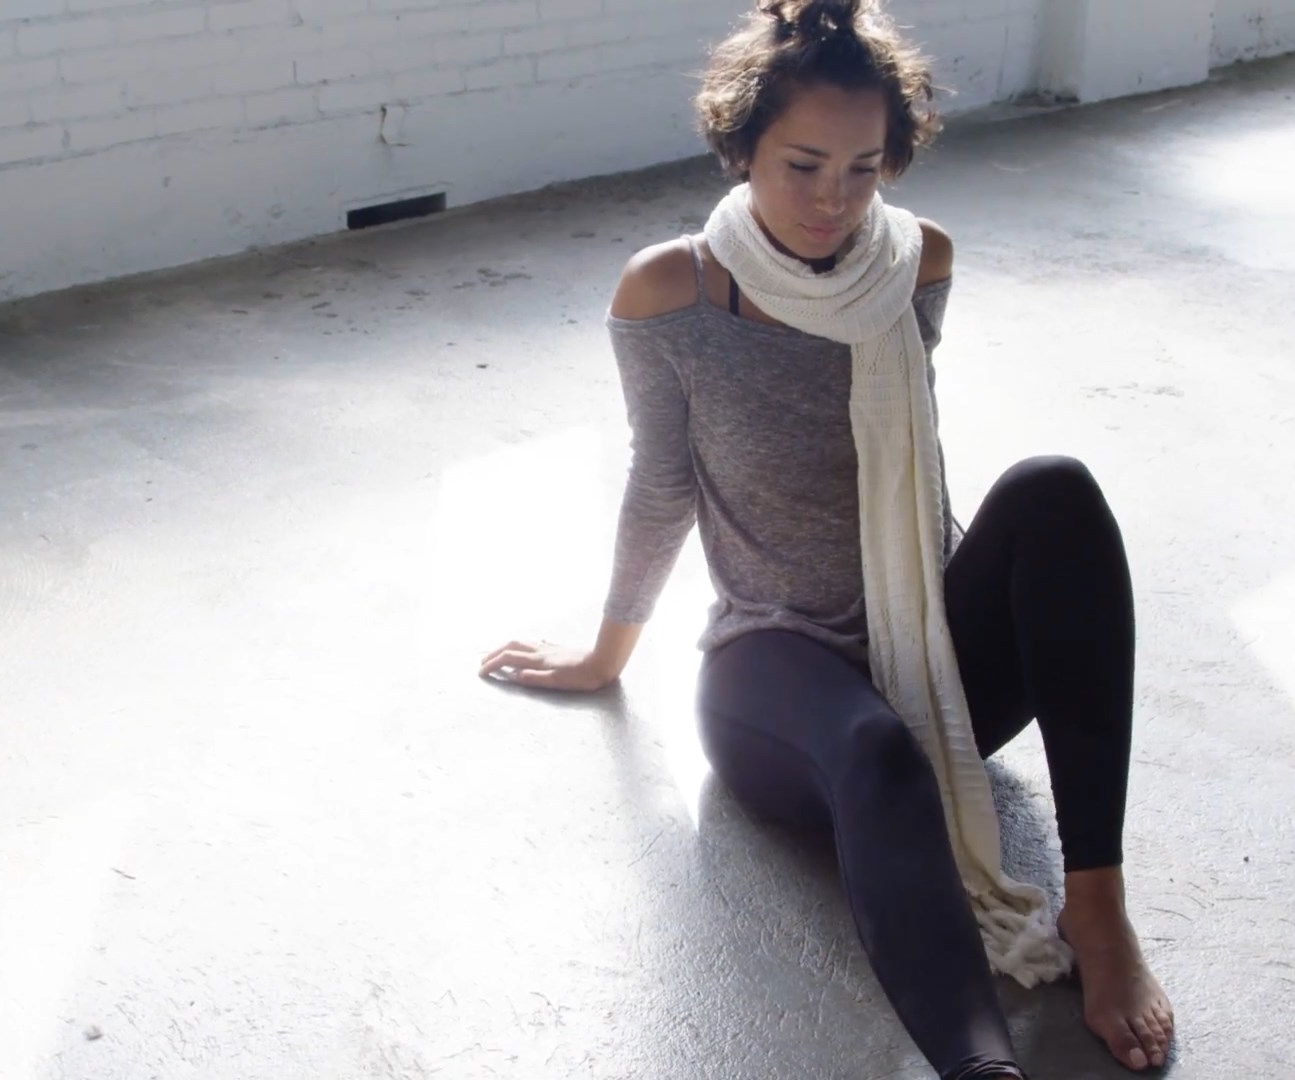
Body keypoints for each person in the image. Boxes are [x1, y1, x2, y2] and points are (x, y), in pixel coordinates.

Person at [481, 1, 1174, 1075]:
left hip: (930, 656)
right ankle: (979, 1067)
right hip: (777, 674)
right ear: (741, 147)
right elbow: (661, 481)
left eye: (862, 168)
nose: (832, 201)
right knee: (873, 748)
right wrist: (607, 654)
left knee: (1056, 491)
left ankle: (1096, 907)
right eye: (802, 165)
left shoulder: (917, 263)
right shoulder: (672, 291)